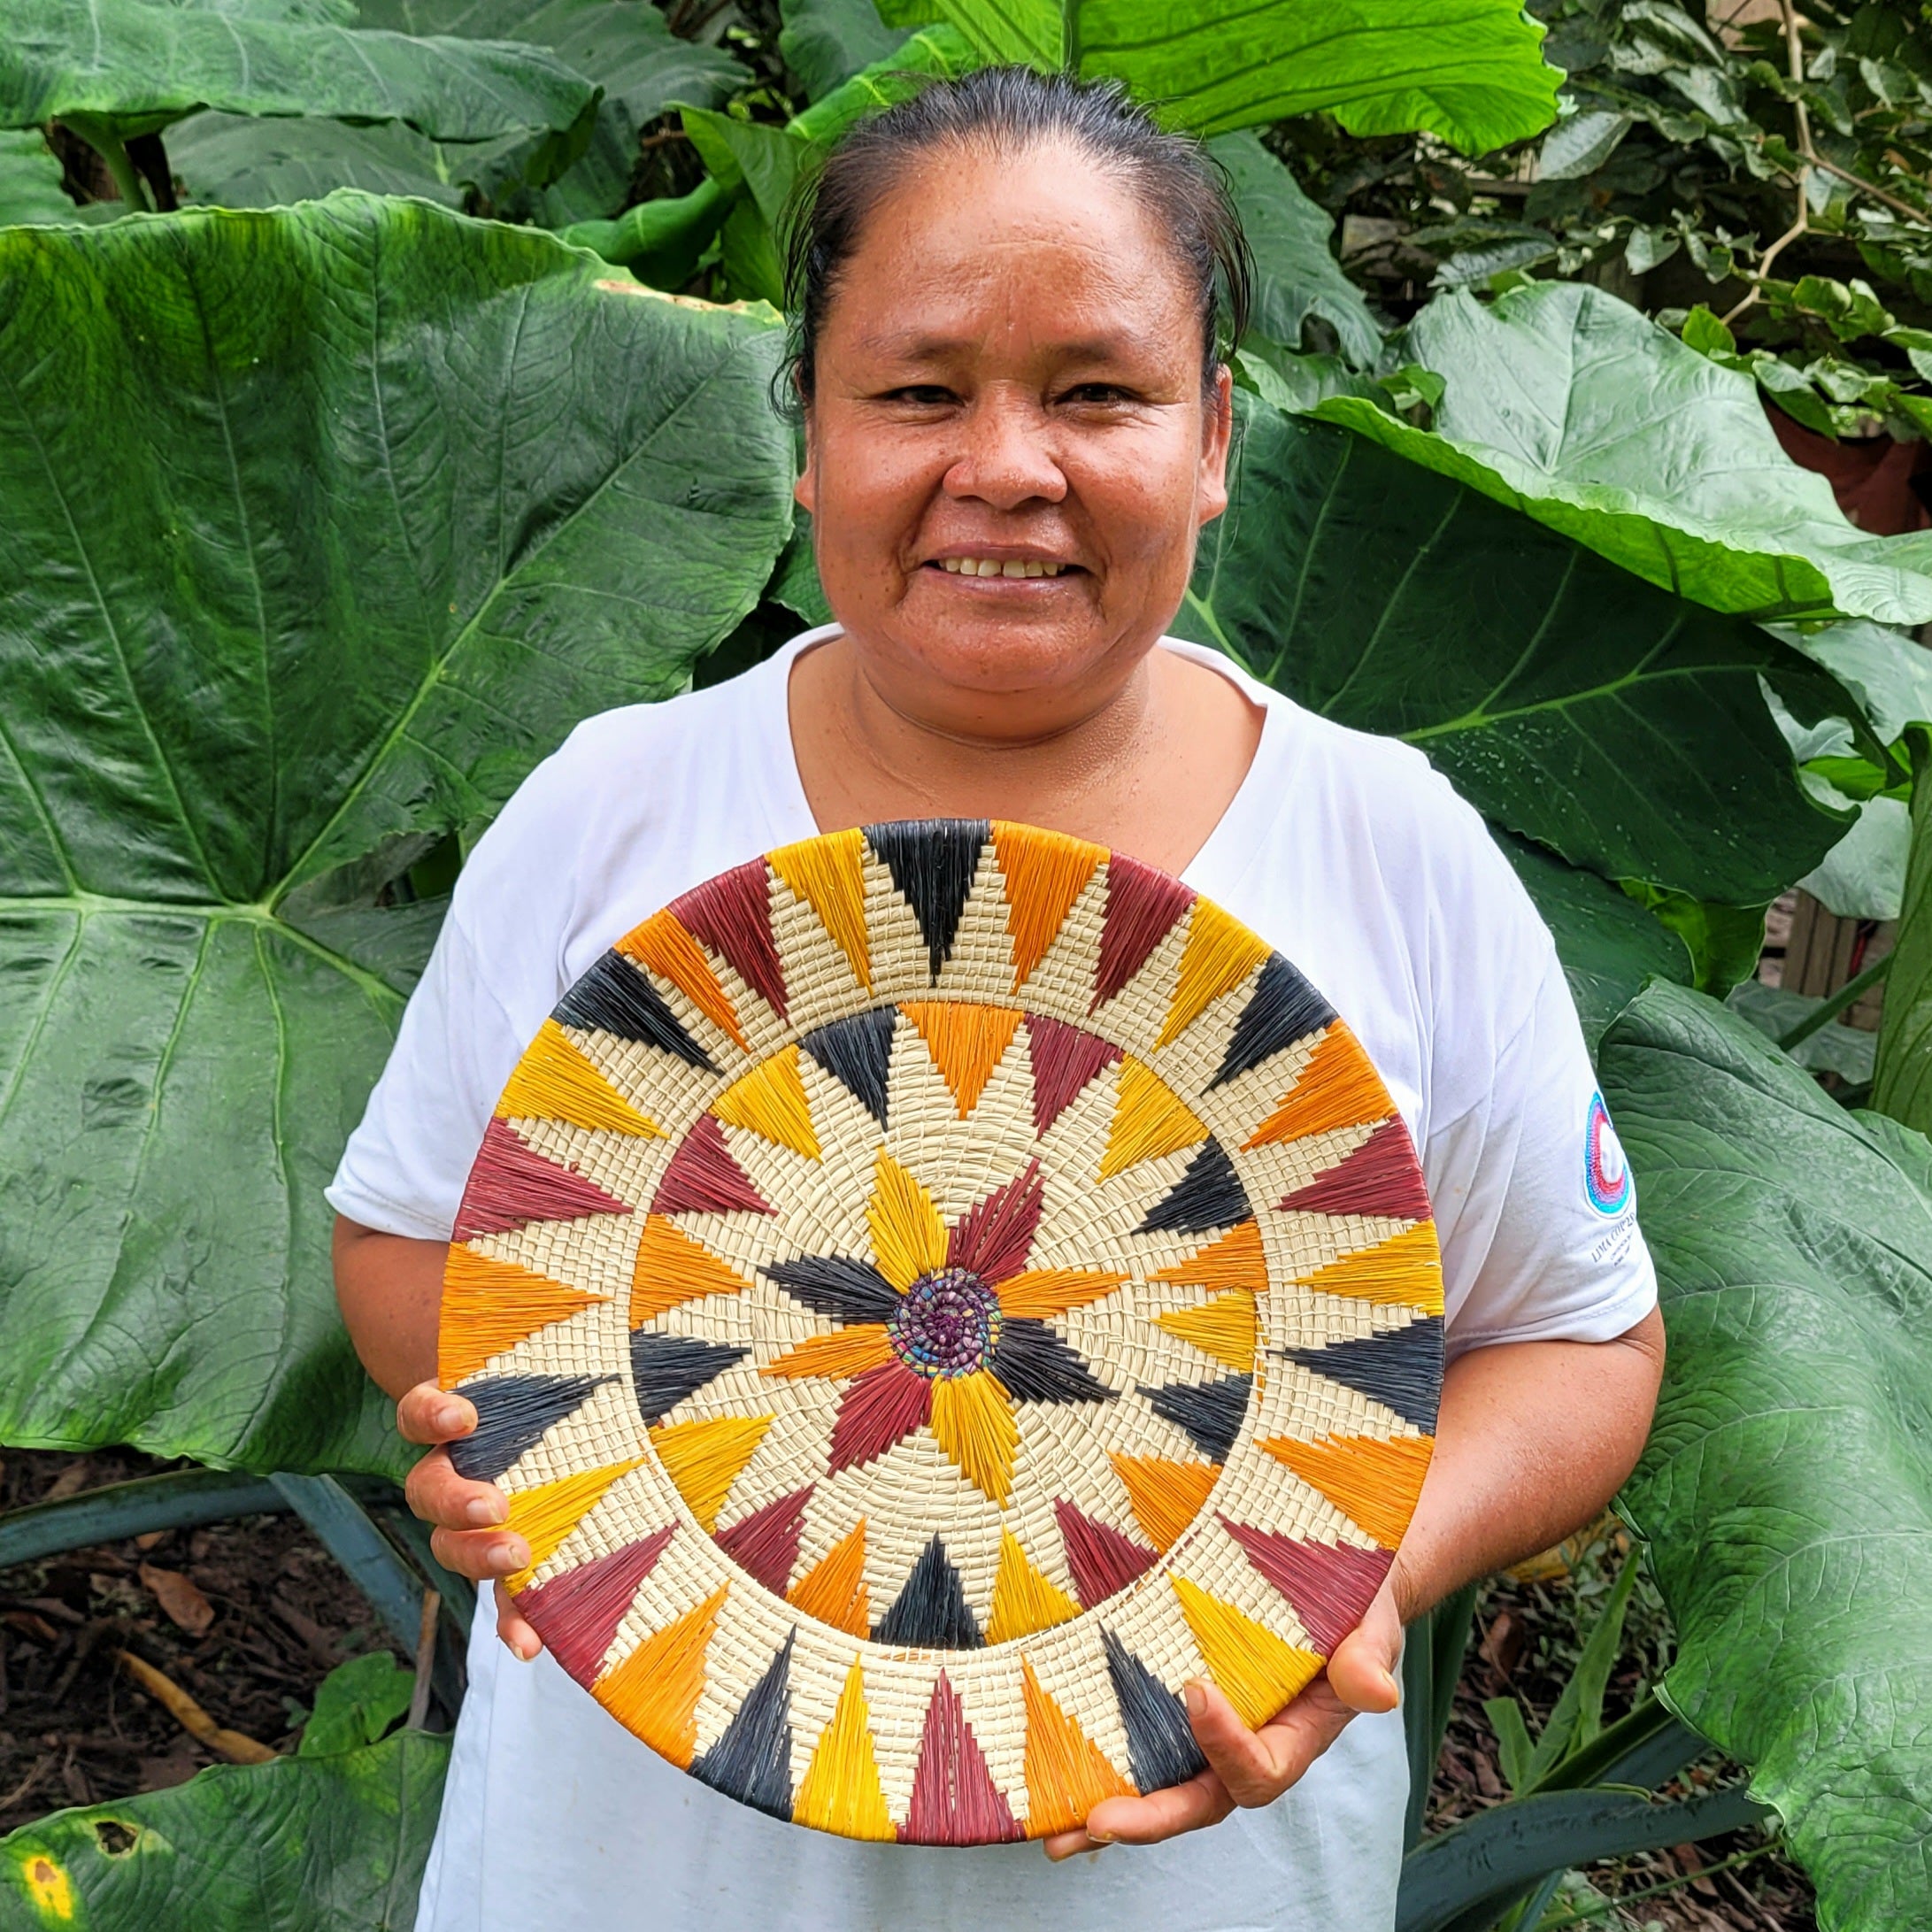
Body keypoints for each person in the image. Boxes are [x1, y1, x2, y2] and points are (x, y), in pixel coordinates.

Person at [330, 65, 1664, 1932]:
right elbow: (410, 1237)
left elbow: (1587, 1348)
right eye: (921, 391)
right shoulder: (615, 805)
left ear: (1212, 439)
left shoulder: (1390, 849)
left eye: (1099, 394)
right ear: (811, 434)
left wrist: (1362, 1567)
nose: (1008, 468)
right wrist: (513, 1433)